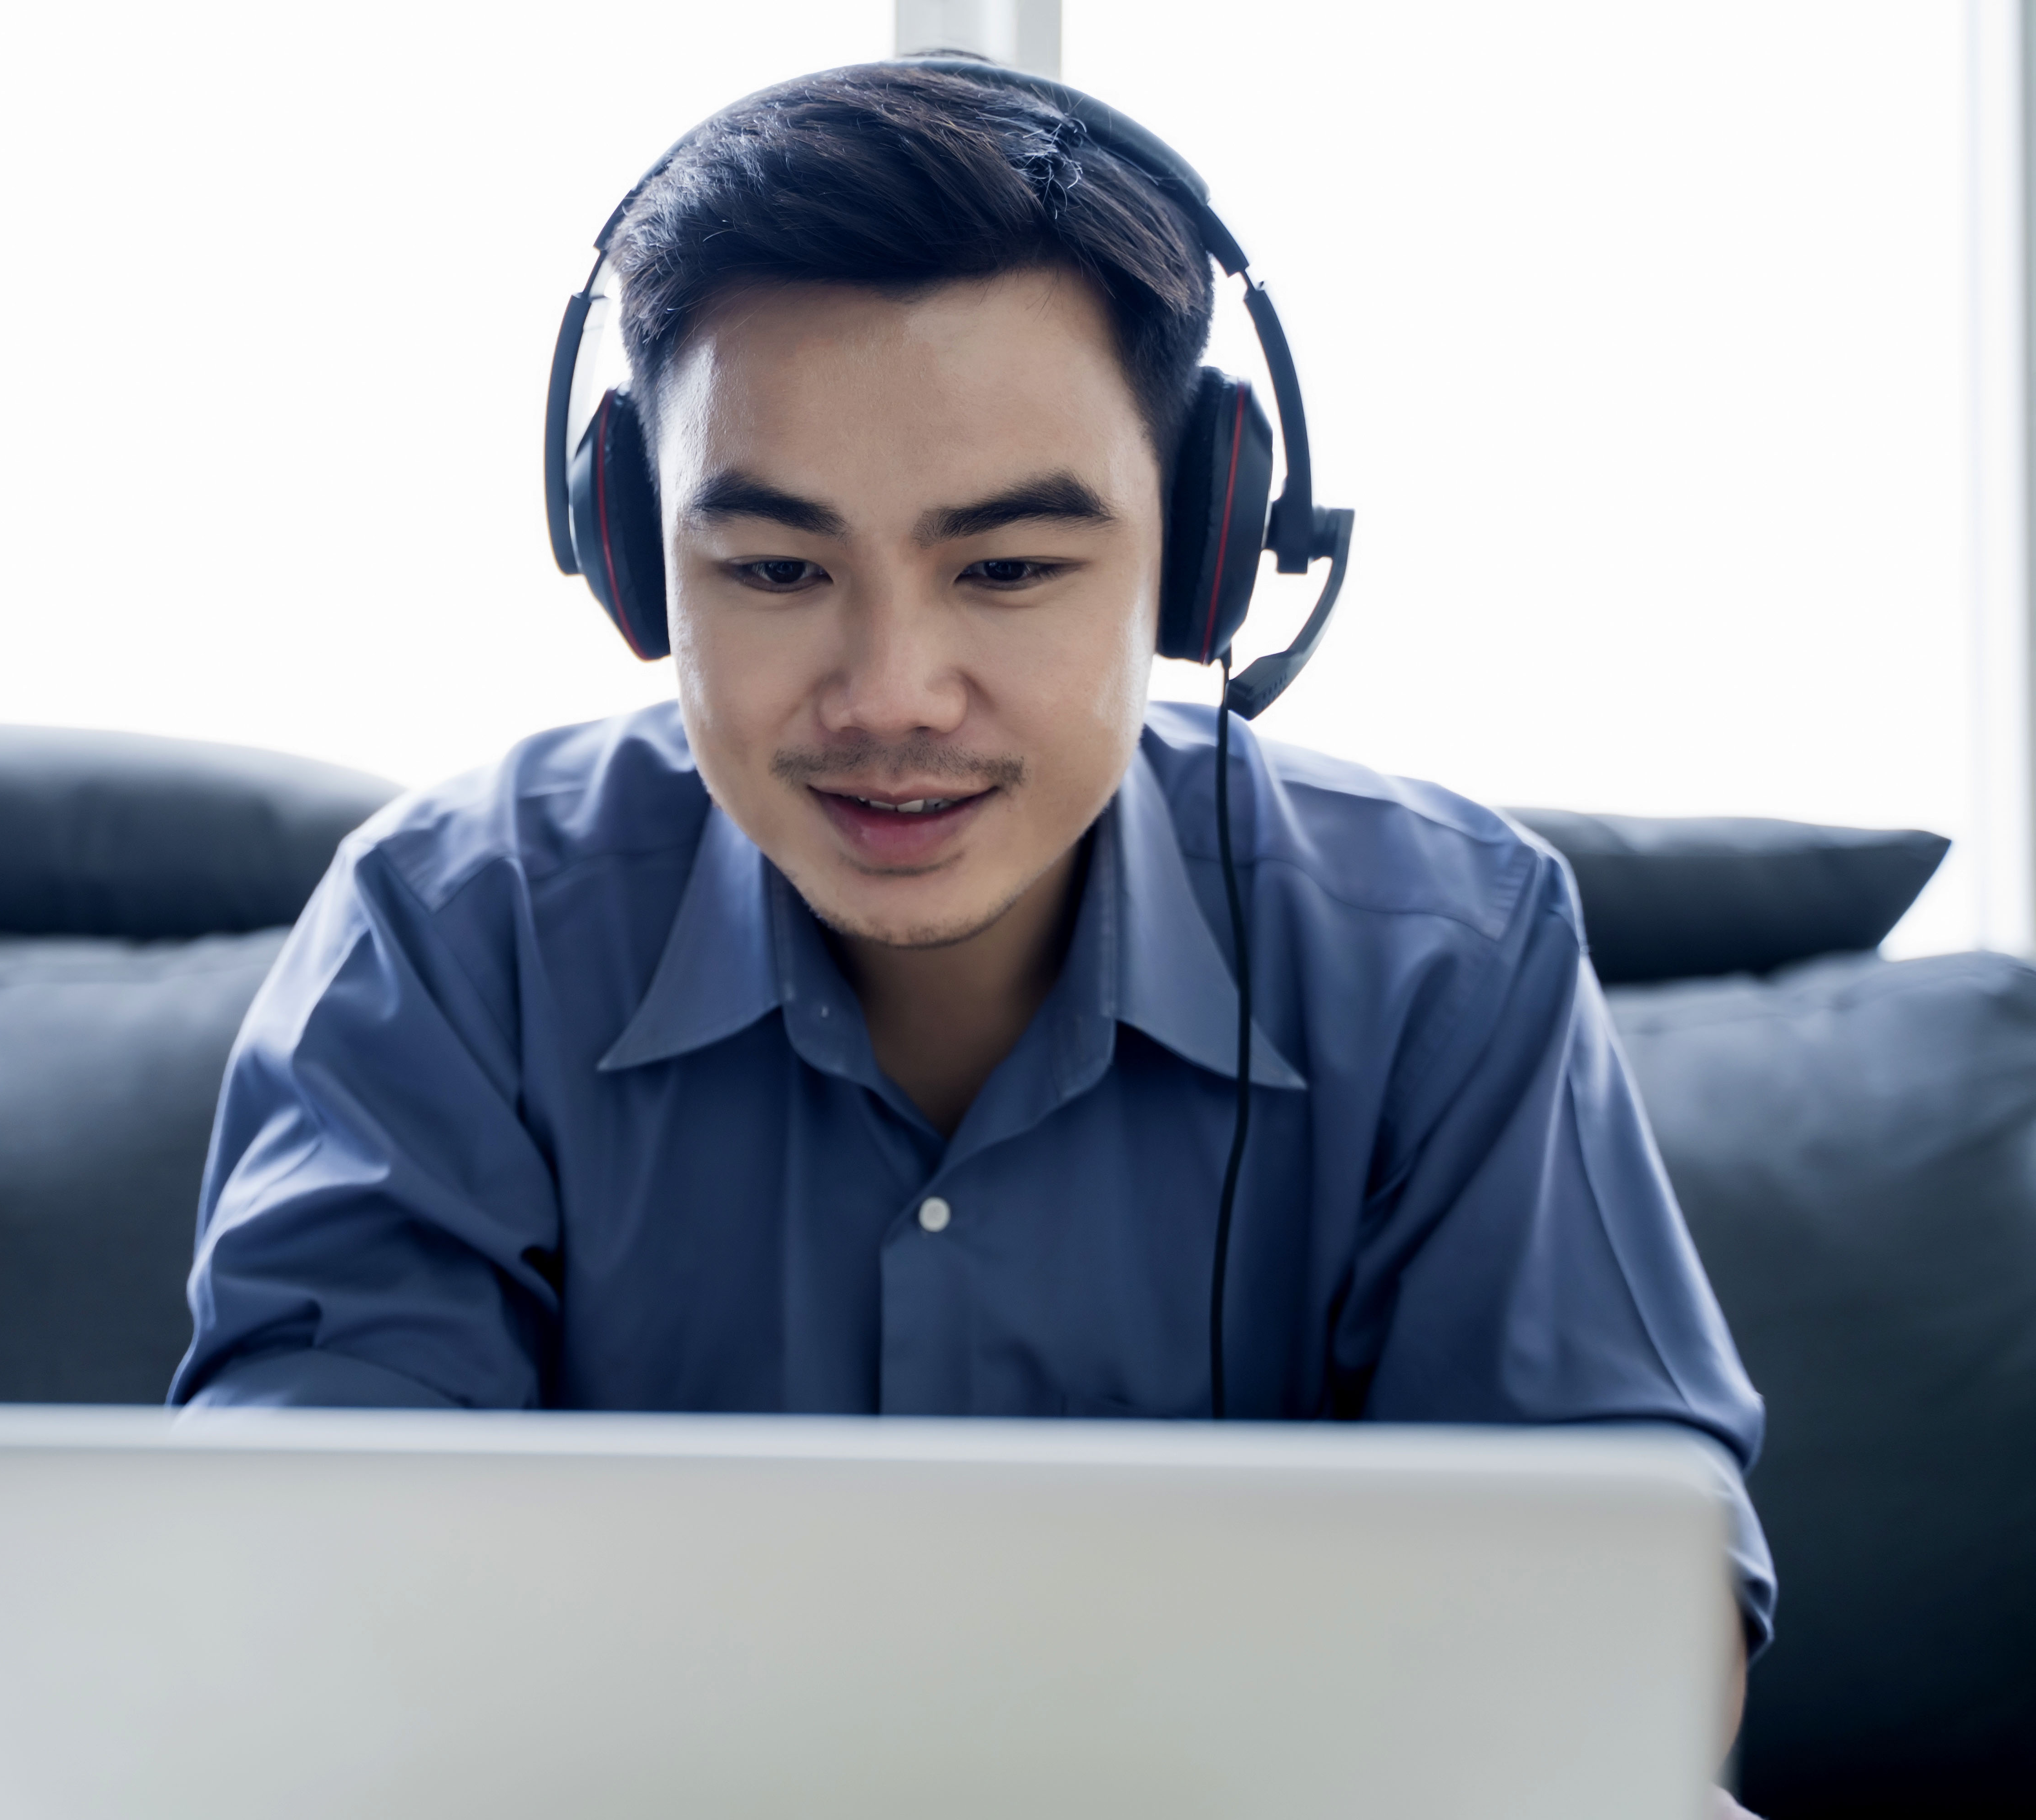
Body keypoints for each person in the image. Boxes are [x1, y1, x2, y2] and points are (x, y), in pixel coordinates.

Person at [168, 55, 1772, 1762]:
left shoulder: (1451, 954)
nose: (891, 694)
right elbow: (295, 1609)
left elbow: (1637, 1646)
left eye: (1006, 570)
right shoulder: (450, 934)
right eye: (778, 571)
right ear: (638, 561)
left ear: (1203, 557)